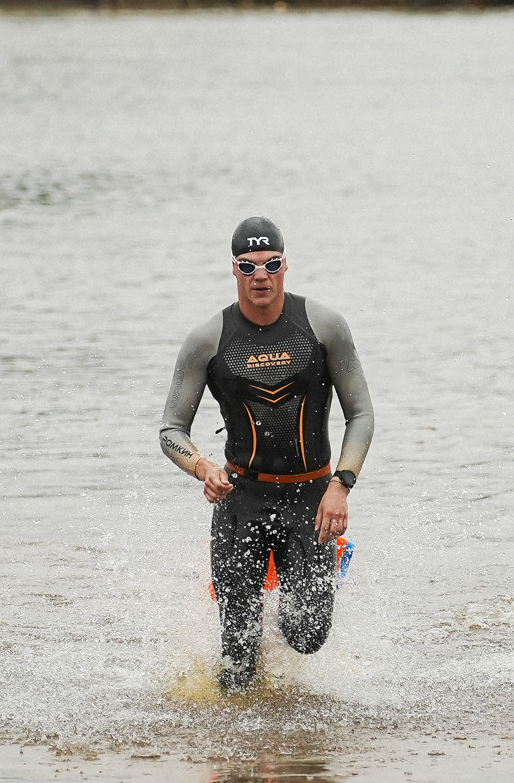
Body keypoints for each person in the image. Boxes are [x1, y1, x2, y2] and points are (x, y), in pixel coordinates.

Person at [160, 218, 373, 692]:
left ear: (284, 265)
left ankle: (305, 589)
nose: (261, 275)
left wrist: (341, 485)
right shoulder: (207, 340)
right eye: (249, 266)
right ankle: (239, 759)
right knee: (237, 662)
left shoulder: (323, 327)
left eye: (271, 264)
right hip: (240, 503)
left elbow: (361, 415)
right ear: (234, 269)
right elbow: (171, 429)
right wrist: (201, 466)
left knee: (307, 635)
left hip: (313, 501)